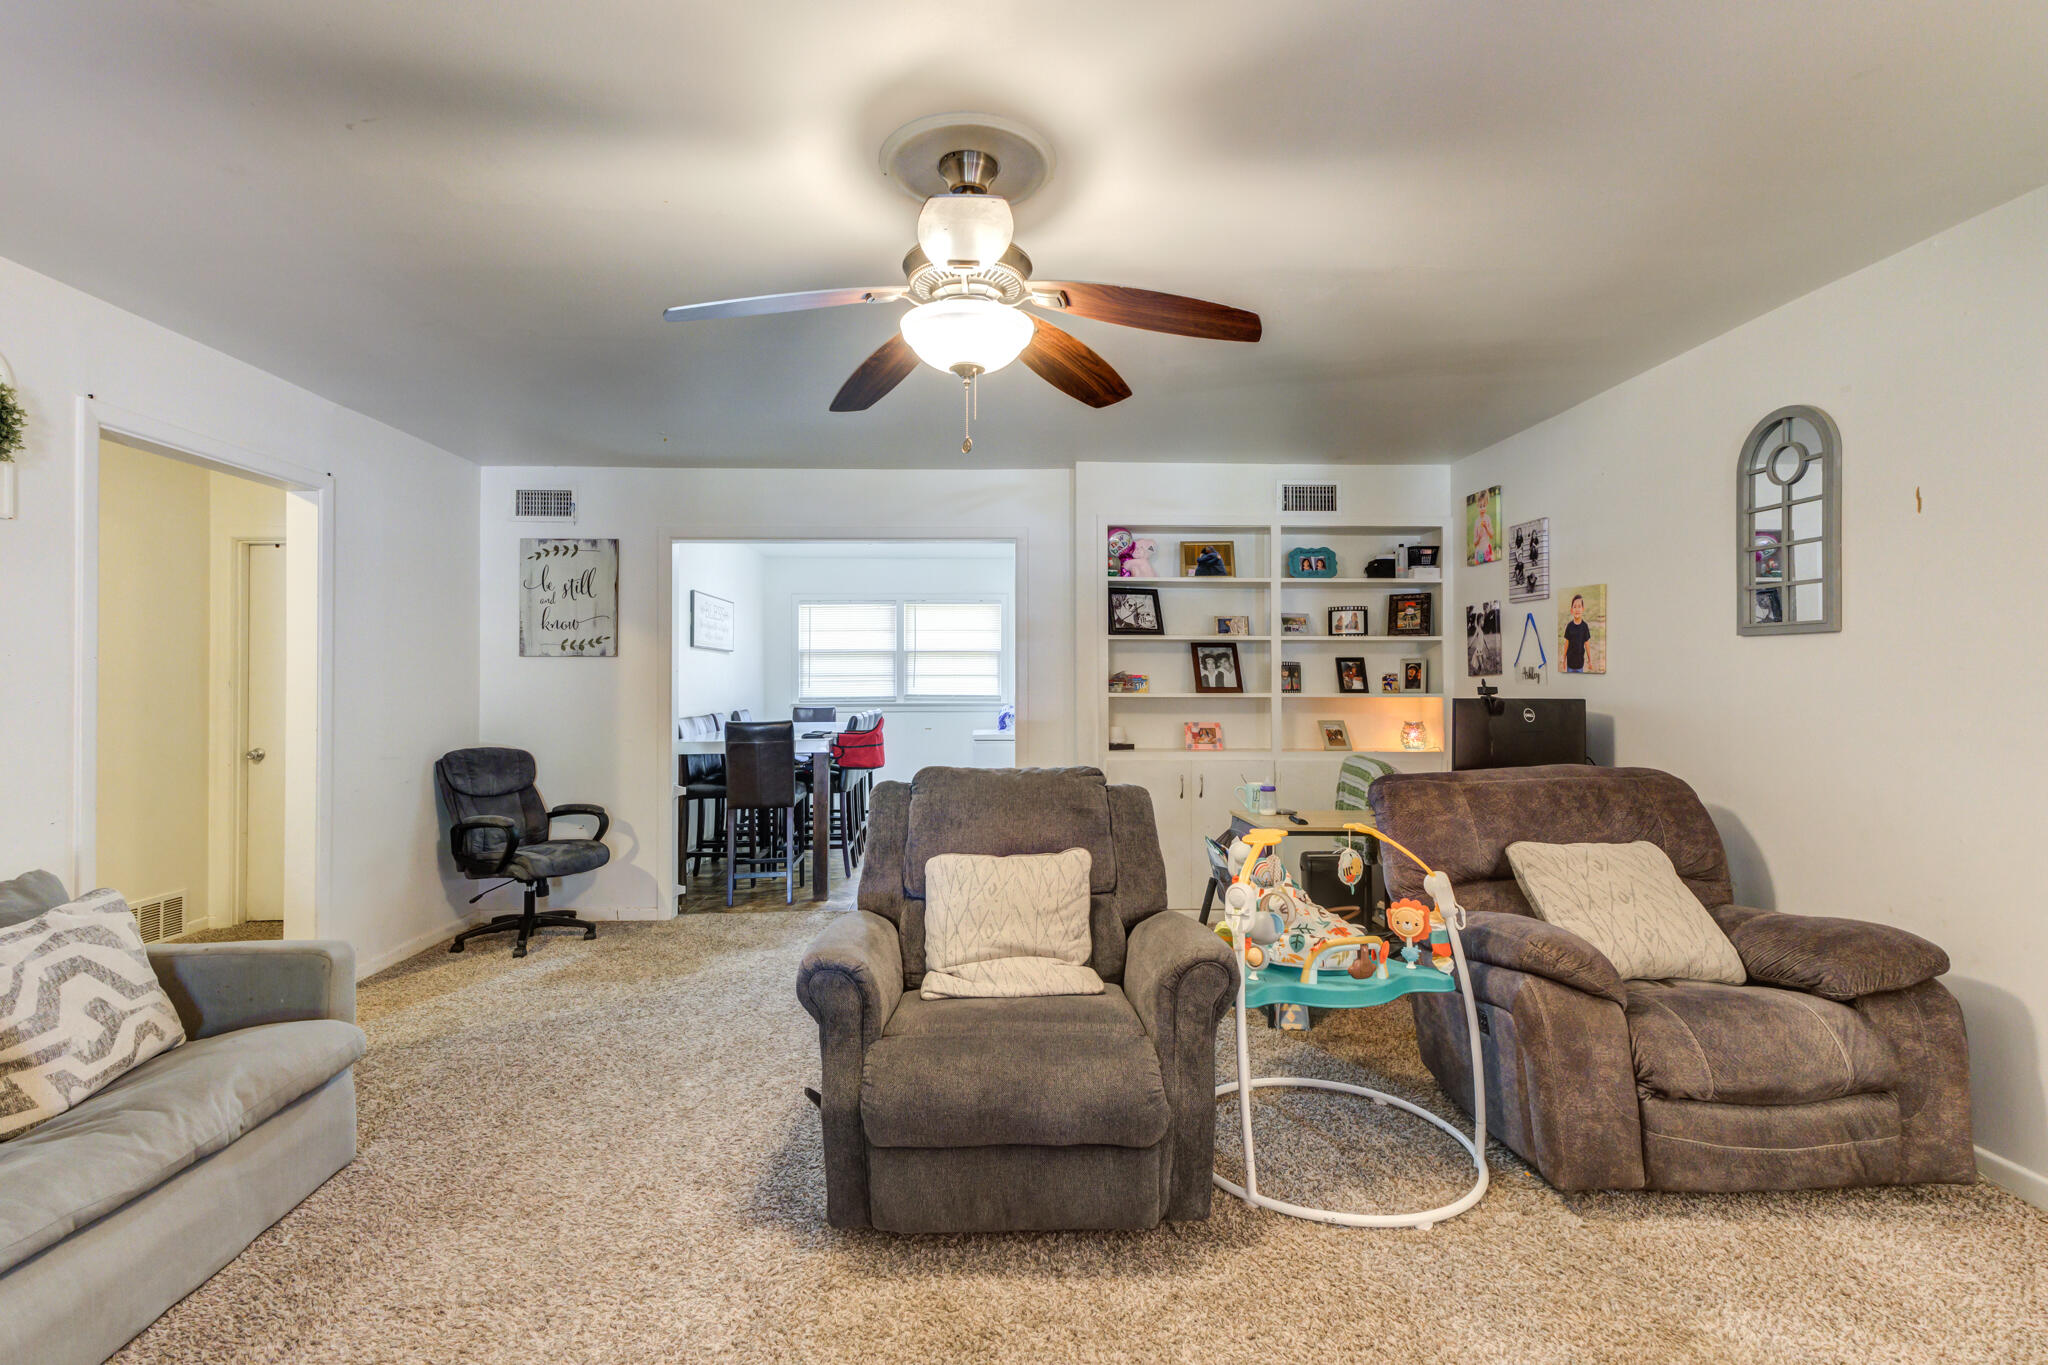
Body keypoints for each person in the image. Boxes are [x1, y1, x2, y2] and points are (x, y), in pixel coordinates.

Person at [1563, 593, 1592, 672]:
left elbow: (1587, 644)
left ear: (1583, 609)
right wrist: (1564, 659)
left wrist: (1590, 660)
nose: (1577, 609)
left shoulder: (1585, 626)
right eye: (1574, 607)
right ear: (1571, 610)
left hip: (1580, 664)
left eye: (1579, 606)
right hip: (1570, 664)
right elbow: (1566, 644)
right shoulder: (1569, 626)